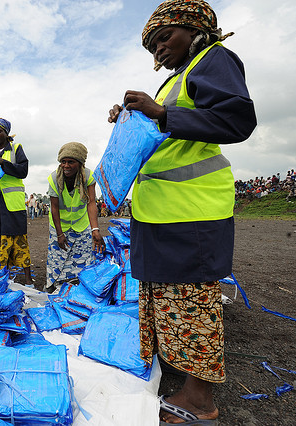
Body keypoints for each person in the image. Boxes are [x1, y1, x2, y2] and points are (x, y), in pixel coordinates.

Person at [107, 1, 257, 424]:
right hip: (161, 213)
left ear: (193, 29)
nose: (157, 51)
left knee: (191, 301)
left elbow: (236, 120)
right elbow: (165, 134)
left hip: (191, 212)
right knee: (167, 297)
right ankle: (178, 366)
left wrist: (161, 113)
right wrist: (132, 119)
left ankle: (199, 399)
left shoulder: (214, 59)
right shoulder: (174, 82)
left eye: (163, 39)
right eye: (151, 46)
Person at [0, 117, 33, 285]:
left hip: (13, 205)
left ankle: (28, 279)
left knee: (19, 240)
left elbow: (23, 171)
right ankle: (1, 277)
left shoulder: (17, 148)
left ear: (6, 133)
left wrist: (4, 163)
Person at [46, 142, 104, 292]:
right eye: (63, 162)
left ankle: (79, 289)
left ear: (80, 163)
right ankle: (54, 287)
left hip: (81, 224)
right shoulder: (53, 178)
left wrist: (95, 229)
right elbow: (54, 207)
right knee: (57, 259)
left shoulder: (88, 176)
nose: (66, 165)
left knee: (82, 259)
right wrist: (59, 234)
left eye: (71, 162)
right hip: (59, 226)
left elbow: (91, 202)